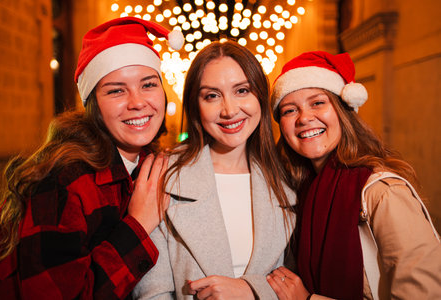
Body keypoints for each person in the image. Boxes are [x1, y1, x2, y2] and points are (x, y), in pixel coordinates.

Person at [0, 17, 184, 299]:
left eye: (148, 84)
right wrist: (139, 225)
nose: (138, 102)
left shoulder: (148, 162)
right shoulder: (63, 180)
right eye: (116, 90)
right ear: (93, 104)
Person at [266, 51, 441, 299]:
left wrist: (307, 299)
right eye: (289, 110)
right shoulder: (300, 190)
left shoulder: (382, 193)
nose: (304, 118)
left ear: (343, 110)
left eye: (318, 103)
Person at [132, 41, 296, 299]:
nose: (229, 110)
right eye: (212, 96)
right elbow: (152, 292)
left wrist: (251, 291)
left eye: (242, 90)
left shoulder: (287, 179)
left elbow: (296, 287)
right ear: (195, 106)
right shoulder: (166, 175)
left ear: (260, 98)